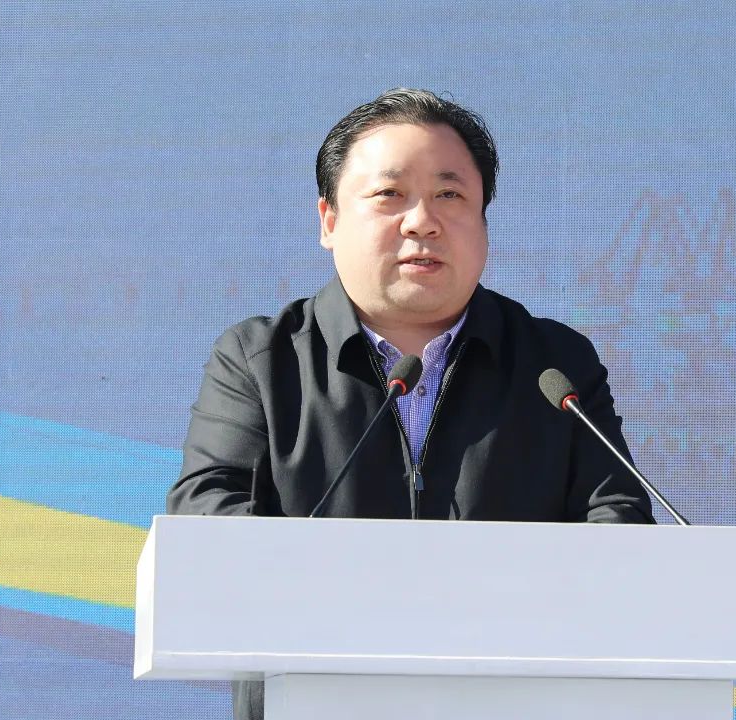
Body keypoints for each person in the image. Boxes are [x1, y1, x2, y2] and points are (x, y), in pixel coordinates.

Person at [167, 88, 655, 720]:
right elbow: (208, 519)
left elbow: (617, 521)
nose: (422, 221)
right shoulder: (261, 360)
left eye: (450, 195)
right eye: (389, 194)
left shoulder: (554, 365)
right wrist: (363, 591)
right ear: (329, 220)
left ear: (483, 223)